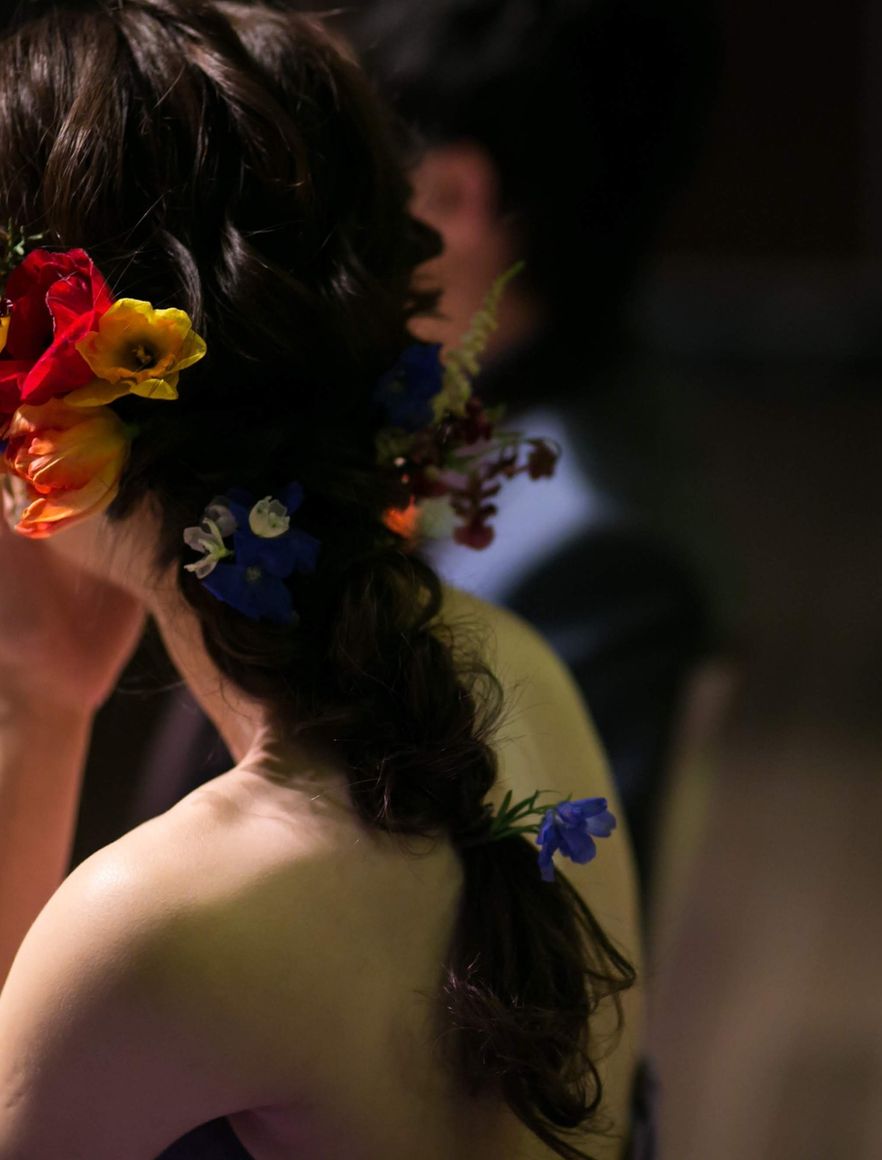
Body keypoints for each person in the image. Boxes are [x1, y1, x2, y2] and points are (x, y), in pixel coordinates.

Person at [0, 3, 644, 1158]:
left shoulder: (151, 921)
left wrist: (32, 710)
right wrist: (49, 691)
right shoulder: (518, 671)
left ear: (59, 414)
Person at [123, 0, 724, 903]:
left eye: (344, 166)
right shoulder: (465, 411)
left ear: (452, 196)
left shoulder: (590, 557)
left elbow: (544, 944)